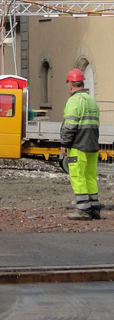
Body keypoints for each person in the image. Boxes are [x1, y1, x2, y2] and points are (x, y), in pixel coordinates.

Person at [60, 68, 102, 220]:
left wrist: (64, 144)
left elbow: (70, 126)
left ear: (70, 84)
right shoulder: (92, 101)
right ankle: (94, 208)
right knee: (90, 176)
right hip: (92, 145)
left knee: (78, 176)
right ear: (83, 83)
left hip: (78, 146)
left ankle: (83, 210)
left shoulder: (74, 101)